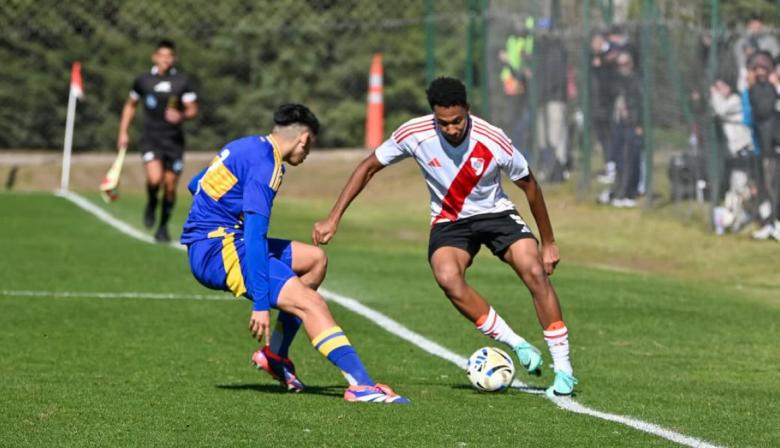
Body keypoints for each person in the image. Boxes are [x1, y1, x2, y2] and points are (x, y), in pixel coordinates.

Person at [312, 78, 576, 398]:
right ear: (433, 116)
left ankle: (564, 371)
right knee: (448, 278)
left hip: (497, 215)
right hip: (450, 221)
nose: (451, 129)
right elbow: (368, 167)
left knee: (534, 271)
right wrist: (333, 217)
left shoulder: (493, 140)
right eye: (443, 123)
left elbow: (530, 186)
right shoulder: (414, 133)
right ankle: (516, 344)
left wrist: (548, 241)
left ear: (468, 111)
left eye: (457, 121)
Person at [180, 104, 409, 404]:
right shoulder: (268, 167)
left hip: (215, 241)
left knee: (315, 260)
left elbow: (195, 184)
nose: (309, 152)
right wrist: (261, 302)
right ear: (302, 138)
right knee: (311, 304)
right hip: (219, 250)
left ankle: (275, 355)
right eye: (311, 144)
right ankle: (361, 386)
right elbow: (255, 235)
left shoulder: (246, 145)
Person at [117, 39, 199, 243]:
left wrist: (182, 115)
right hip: (151, 138)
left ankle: (162, 227)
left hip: (174, 141)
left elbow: (192, 108)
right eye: (162, 56)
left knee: (170, 187)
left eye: (169, 56)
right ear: (155, 57)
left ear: (174, 58)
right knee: (155, 180)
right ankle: (152, 202)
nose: (165, 60)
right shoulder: (143, 80)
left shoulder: (182, 81)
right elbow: (130, 105)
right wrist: (123, 132)